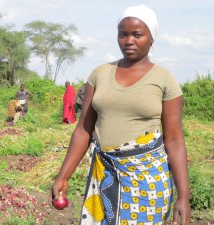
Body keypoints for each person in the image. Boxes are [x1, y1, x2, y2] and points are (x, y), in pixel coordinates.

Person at [51, 5, 190, 225]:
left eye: (138, 34)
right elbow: (84, 130)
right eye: (123, 34)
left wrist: (184, 196)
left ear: (151, 38)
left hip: (147, 182)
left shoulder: (165, 80)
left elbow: (174, 140)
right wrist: (63, 175)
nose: (129, 40)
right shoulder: (100, 74)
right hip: (105, 175)